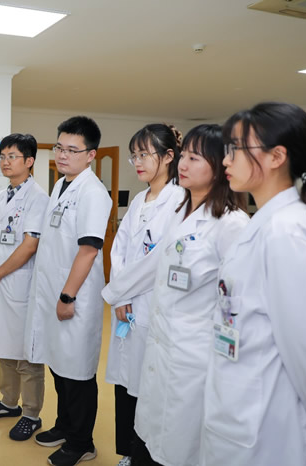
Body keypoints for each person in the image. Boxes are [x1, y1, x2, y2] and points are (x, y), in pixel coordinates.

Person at [201, 102, 306, 465]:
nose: (225, 160)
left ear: (277, 156)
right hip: (242, 406)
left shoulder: (286, 231)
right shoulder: (266, 223)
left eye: (235, 149)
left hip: (267, 421)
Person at [130, 124, 249, 466]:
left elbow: (238, 307)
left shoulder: (232, 224)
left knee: (183, 449)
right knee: (155, 440)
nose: (182, 164)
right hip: (163, 346)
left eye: (195, 158)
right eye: (183, 155)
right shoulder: (180, 213)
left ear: (221, 165)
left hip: (196, 359)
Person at [23, 116, 112, 466]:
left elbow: (88, 249)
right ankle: (64, 426)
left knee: (77, 372)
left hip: (74, 297)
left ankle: (81, 443)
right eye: (60, 147)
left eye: (72, 150)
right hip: (53, 291)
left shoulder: (93, 193)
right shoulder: (61, 185)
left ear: (90, 155)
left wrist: (67, 296)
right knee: (59, 366)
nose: (62, 155)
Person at [101, 123, 185, 466]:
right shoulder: (139, 200)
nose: (137, 162)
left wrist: (121, 292)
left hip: (151, 304)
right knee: (125, 382)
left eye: (144, 155)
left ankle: (144, 454)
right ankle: (128, 451)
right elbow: (118, 250)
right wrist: (121, 298)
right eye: (133, 155)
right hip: (127, 305)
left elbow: (158, 260)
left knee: (148, 384)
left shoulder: (179, 201)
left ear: (168, 156)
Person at [0, 133, 49, 441]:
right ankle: (8, 402)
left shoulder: (38, 198)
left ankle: (31, 414)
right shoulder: (0, 197)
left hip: (20, 284)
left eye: (12, 156)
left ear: (29, 161)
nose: (5, 162)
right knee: (3, 345)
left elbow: (30, 245)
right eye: (2, 156)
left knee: (25, 353)